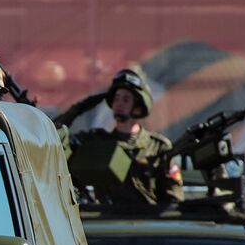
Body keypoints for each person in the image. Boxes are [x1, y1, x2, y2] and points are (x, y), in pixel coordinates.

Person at [52, 66, 183, 210]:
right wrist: (76, 110)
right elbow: (54, 140)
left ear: (139, 107)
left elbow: (173, 201)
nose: (119, 104)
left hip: (147, 221)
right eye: (116, 98)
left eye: (126, 99)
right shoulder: (97, 142)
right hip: (107, 221)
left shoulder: (158, 147)